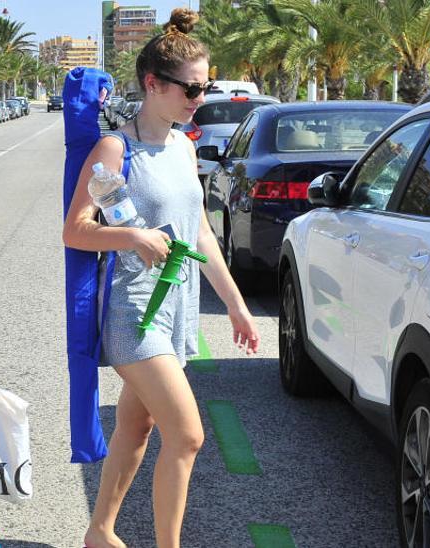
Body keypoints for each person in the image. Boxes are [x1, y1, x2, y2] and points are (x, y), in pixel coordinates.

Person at [61, 9, 260, 548]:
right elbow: (75, 231)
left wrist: (237, 306)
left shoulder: (184, 145)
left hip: (176, 305)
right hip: (133, 309)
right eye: (191, 88)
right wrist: (133, 237)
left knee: (137, 427)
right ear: (153, 83)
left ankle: (100, 531)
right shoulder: (115, 150)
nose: (200, 97)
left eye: (205, 85)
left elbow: (199, 234)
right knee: (188, 436)